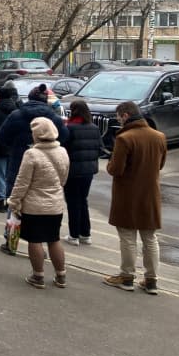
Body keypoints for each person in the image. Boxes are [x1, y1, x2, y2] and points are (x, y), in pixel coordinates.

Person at [103, 101, 167, 295]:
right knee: (150, 238)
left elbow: (116, 169)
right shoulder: (159, 137)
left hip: (128, 195)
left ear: (125, 116)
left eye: (118, 117)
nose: (118, 121)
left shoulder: (124, 138)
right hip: (150, 193)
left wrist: (109, 163)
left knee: (128, 237)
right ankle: (151, 280)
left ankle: (127, 277)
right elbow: (160, 165)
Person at [0, 83, 68, 255]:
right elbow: (65, 137)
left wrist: (15, 148)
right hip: (47, 168)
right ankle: (40, 244)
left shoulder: (16, 115)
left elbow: (2, 136)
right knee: (42, 205)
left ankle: (10, 240)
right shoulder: (54, 118)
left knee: (14, 203)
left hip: (18, 163)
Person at [7, 117, 70, 289]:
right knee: (54, 239)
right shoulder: (63, 151)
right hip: (55, 204)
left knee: (35, 240)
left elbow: (22, 182)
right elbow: (63, 178)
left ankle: (38, 276)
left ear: (36, 134)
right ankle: (61, 275)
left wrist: (14, 202)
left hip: (34, 206)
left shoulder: (31, 154)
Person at [63, 99, 102, 246]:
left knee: (73, 202)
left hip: (72, 170)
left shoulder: (69, 128)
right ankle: (85, 233)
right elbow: (99, 148)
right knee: (83, 200)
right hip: (88, 171)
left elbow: (63, 147)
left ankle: (74, 235)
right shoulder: (94, 128)